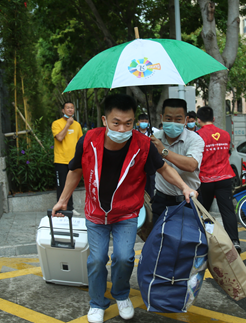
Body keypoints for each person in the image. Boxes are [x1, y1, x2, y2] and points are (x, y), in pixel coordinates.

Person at [52, 94, 197, 323]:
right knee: (97, 260)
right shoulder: (88, 140)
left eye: (128, 123)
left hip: (127, 213)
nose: (122, 128)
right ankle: (97, 302)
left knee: (124, 257)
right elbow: (75, 170)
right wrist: (63, 200)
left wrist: (184, 187)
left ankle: (121, 295)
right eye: (116, 123)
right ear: (104, 120)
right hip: (96, 213)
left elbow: (163, 169)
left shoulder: (143, 144)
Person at [150, 99, 205, 225]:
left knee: (191, 242)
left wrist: (163, 151)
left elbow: (191, 165)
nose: (173, 123)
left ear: (185, 120)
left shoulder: (195, 140)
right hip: (162, 201)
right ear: (161, 118)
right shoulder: (154, 139)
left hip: (190, 201)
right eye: (168, 119)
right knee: (160, 242)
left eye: (178, 119)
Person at [195, 106, 241, 253]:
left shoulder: (198, 136)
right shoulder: (225, 134)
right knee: (227, 211)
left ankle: (201, 240)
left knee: (203, 212)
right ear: (213, 118)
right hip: (225, 178)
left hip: (206, 179)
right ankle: (234, 241)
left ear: (198, 120)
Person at [52, 102, 83, 215]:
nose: (70, 110)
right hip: (61, 159)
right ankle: (61, 209)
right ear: (63, 110)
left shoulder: (77, 125)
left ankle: (70, 207)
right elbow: (59, 137)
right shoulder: (56, 123)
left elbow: (81, 142)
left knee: (71, 184)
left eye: (72, 108)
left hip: (73, 159)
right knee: (62, 185)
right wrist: (68, 124)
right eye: (67, 108)